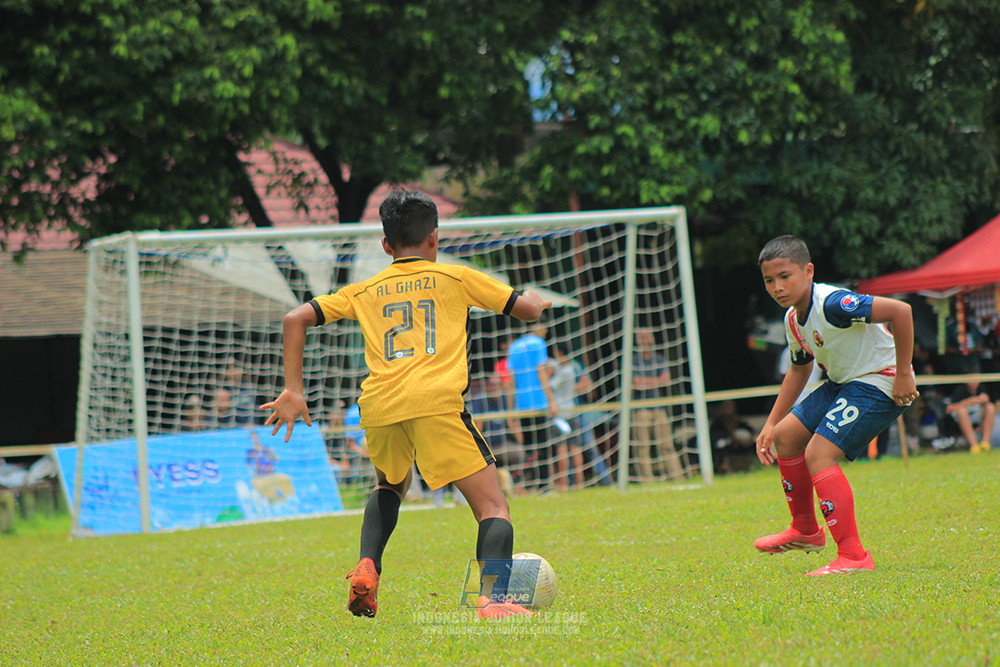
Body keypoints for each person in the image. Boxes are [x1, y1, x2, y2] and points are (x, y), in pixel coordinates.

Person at [261, 189, 551, 619]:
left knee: (389, 486)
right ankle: (492, 601)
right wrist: (536, 301)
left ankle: (368, 566)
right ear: (434, 238)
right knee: (493, 506)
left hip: (379, 405)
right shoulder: (457, 277)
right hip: (435, 402)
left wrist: (294, 389)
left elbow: (295, 317)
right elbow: (527, 310)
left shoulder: (365, 288)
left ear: (385, 244)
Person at [754, 235, 918, 576]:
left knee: (819, 454)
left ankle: (854, 557)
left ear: (809, 271)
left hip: (880, 381)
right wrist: (770, 423)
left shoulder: (833, 303)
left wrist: (903, 373)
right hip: (843, 383)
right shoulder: (792, 319)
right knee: (785, 438)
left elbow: (901, 311)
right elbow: (799, 369)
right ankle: (805, 530)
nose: (777, 287)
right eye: (769, 280)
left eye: (785, 276)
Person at [505, 319, 558, 491]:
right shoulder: (538, 343)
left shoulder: (514, 347)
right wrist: (551, 401)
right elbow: (541, 373)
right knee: (543, 446)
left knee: (529, 447)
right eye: (545, 326)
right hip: (538, 403)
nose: (547, 329)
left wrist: (510, 409)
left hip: (521, 404)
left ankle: (527, 483)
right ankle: (544, 485)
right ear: (536, 326)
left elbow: (510, 381)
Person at [630, 328, 683, 481]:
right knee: (643, 448)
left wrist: (647, 382)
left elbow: (666, 380)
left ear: (652, 339)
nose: (644, 341)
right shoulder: (633, 360)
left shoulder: (659, 359)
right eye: (641, 338)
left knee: (666, 445)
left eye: (647, 337)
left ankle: (677, 477)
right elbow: (637, 383)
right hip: (641, 409)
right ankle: (647, 481)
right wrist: (655, 381)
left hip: (659, 407)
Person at [547, 345, 586, 490]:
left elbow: (550, 386)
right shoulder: (571, 369)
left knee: (562, 448)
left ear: (561, 354)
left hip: (561, 413)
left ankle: (563, 483)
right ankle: (579, 482)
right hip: (572, 410)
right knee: (575, 447)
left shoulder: (563, 372)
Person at [945, 379, 994, 454]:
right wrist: (969, 401)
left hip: (977, 416)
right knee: (962, 411)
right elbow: (949, 409)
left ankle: (985, 443)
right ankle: (974, 445)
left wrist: (985, 400)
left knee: (990, 407)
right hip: (962, 418)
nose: (974, 383)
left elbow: (988, 403)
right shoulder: (960, 389)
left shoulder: (982, 388)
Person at [709, 400, 756, 474]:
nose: (727, 408)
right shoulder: (717, 424)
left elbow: (751, 431)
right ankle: (723, 468)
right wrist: (733, 438)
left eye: (730, 406)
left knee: (755, 446)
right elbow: (716, 440)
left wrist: (747, 440)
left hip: (741, 445)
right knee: (722, 448)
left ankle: (759, 465)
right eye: (725, 406)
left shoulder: (739, 421)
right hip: (725, 446)